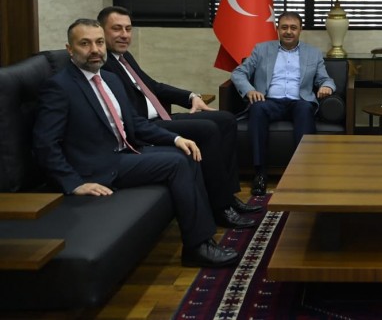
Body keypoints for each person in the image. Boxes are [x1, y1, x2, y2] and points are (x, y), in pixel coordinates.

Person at [33, 18, 238, 268]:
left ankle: (202, 239)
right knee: (177, 164)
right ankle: (197, 247)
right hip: (97, 166)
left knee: (186, 153)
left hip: (126, 152)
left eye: (99, 42)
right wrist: (74, 183)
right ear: (70, 49)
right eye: (85, 44)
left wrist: (176, 138)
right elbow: (45, 143)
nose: (95, 49)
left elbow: (136, 124)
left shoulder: (110, 79)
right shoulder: (59, 87)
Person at [97, 6, 259, 229]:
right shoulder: (102, 65)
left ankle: (228, 196)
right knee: (208, 129)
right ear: (101, 31)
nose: (124, 35)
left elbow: (153, 86)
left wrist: (191, 96)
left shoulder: (123, 57)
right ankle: (220, 208)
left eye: (128, 29)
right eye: (117, 29)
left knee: (226, 119)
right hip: (145, 127)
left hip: (161, 117)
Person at [231, 11, 335, 195]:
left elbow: (325, 79)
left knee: (305, 109)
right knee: (257, 109)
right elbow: (239, 73)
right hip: (269, 101)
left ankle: (303, 173)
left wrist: (326, 86)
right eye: (284, 27)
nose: (288, 31)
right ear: (277, 29)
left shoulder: (313, 53)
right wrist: (249, 90)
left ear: (300, 30)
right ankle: (260, 174)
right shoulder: (261, 49)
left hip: (299, 101)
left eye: (293, 28)